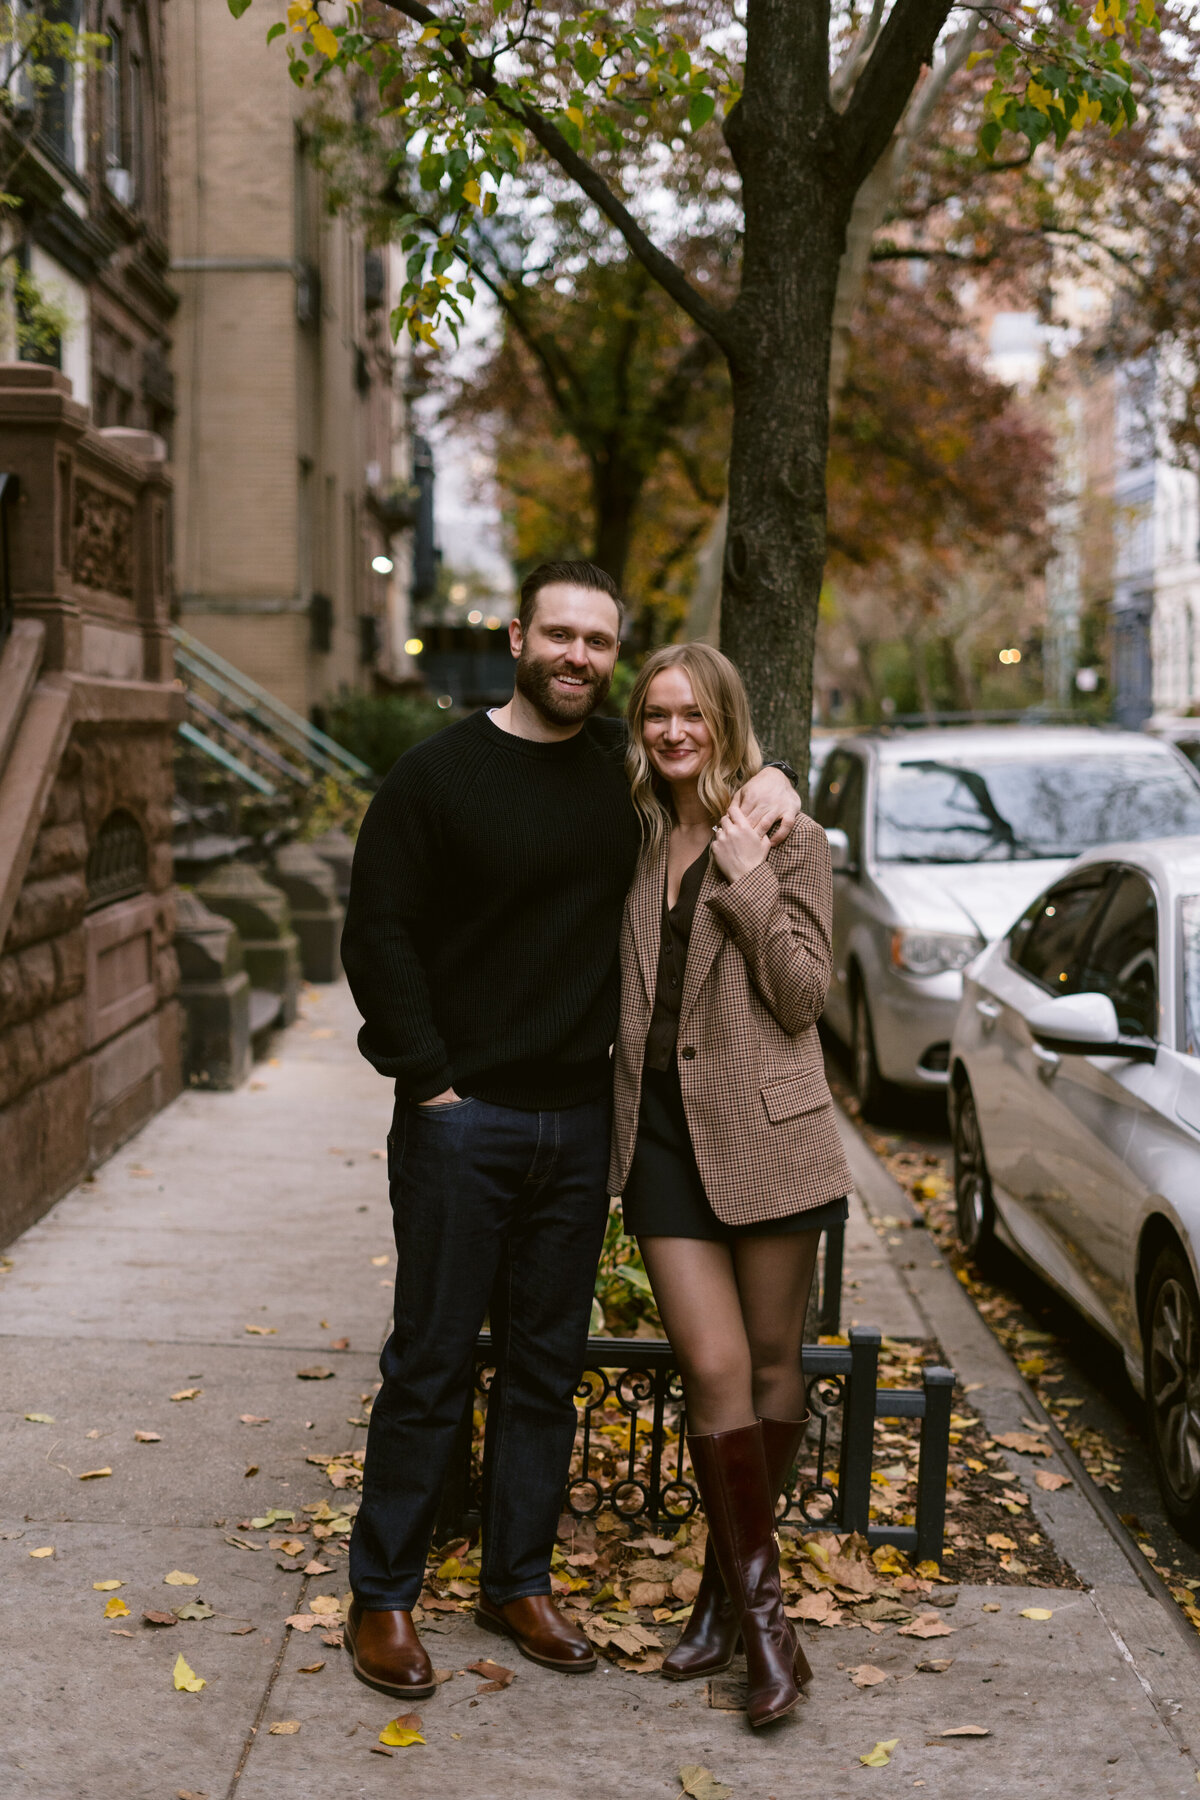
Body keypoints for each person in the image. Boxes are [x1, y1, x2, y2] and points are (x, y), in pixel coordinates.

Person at [338, 562, 802, 1701]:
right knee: (431, 1363)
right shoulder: (435, 778)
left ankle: (518, 1579)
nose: (577, 658)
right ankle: (382, 1597)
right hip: (460, 1122)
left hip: (579, 1124)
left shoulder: (625, 777)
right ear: (516, 638)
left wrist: (781, 774)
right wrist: (432, 1082)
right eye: (559, 635)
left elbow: (725, 776)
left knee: (547, 1367)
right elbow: (377, 935)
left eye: (599, 643)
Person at [609, 643, 852, 1728]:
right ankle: (771, 1636)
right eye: (656, 714)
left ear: (727, 721)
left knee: (768, 1365)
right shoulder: (636, 833)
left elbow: (804, 996)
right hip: (657, 1137)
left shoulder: (790, 839)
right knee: (712, 1366)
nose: (673, 733)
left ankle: (728, 1603)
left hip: (764, 1137)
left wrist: (751, 875)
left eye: (692, 714)